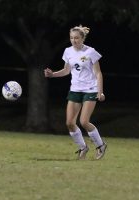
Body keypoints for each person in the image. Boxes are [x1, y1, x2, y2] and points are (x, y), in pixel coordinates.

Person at [44, 25, 107, 160]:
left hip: (90, 89)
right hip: (75, 89)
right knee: (69, 123)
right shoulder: (68, 51)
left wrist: (100, 92)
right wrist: (52, 74)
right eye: (72, 38)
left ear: (82, 38)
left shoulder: (90, 52)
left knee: (84, 121)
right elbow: (66, 71)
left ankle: (100, 145)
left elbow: (98, 73)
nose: (74, 40)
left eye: (77, 38)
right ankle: (83, 147)